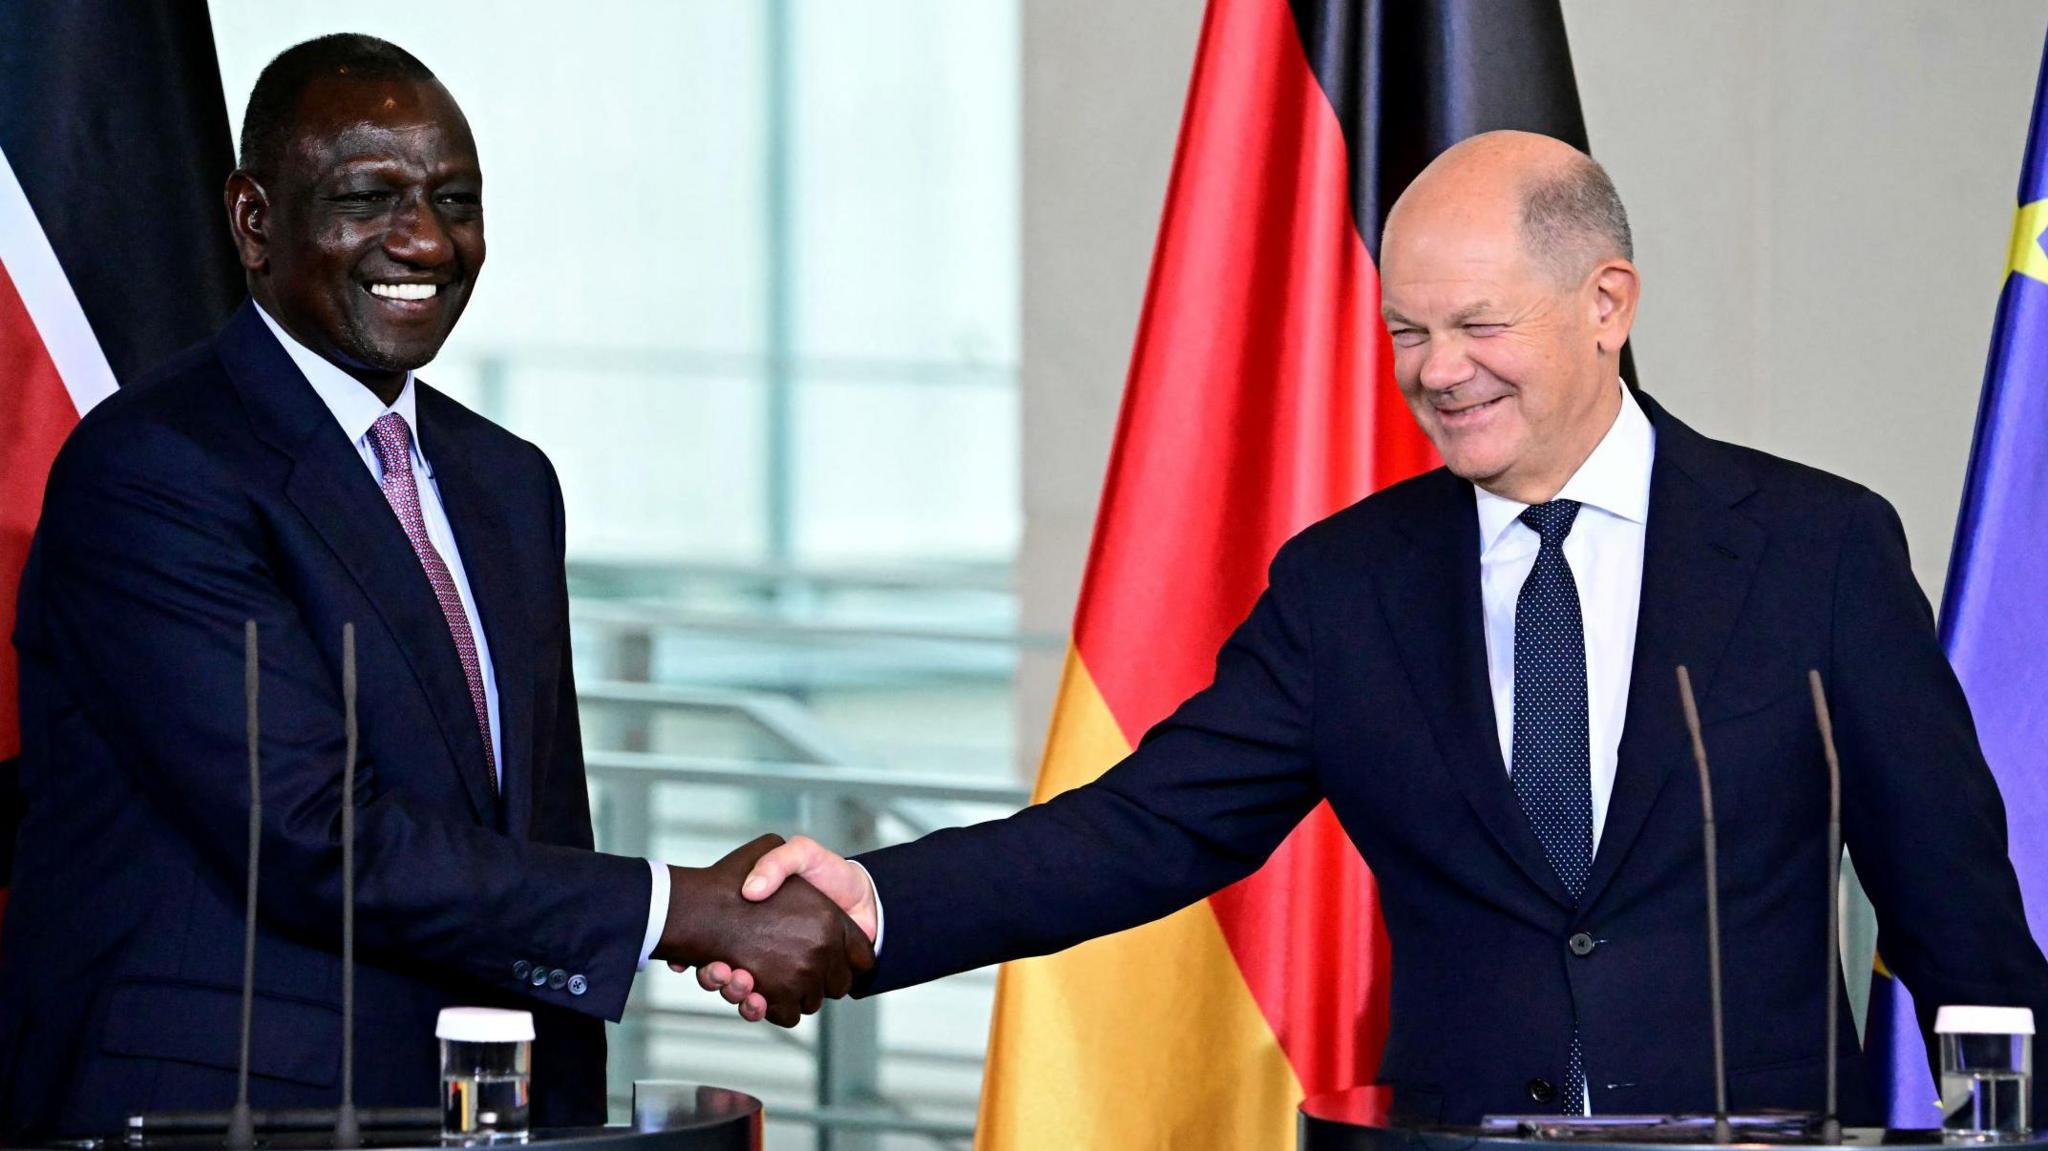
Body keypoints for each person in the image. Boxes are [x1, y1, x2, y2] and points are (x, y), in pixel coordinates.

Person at [699, 131, 2048, 1123]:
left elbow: (1954, 907)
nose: (1435, 369)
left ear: (1608, 303)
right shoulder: (1349, 585)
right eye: (1407, 328)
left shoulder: (1818, 547)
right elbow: (1140, 828)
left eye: (1476, 323)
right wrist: (874, 899)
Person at [0, 34, 870, 1139]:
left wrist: (564, 1098)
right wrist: (684, 907)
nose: (423, 237)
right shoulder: (156, 468)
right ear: (254, 223)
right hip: (227, 1107)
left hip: (489, 1109)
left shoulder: (507, 481)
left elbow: (532, 822)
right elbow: (312, 834)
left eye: (453, 199)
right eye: (371, 196)